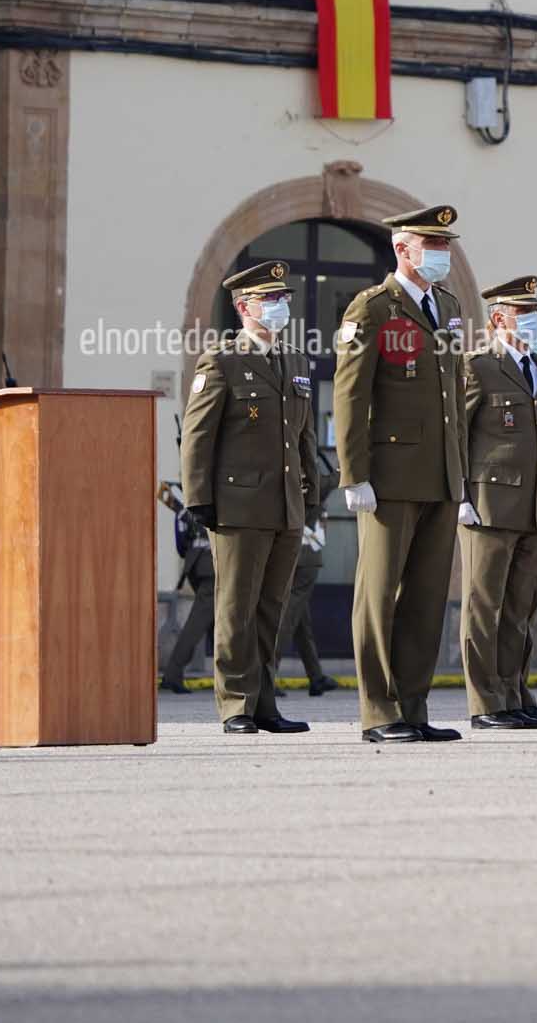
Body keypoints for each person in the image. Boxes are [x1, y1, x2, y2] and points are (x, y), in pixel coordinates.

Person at [334, 205, 469, 745]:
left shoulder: (450, 307)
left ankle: (413, 705)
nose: (442, 255)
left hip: (440, 475)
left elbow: (453, 399)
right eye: (431, 245)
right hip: (388, 475)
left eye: (446, 245)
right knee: (379, 592)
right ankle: (378, 711)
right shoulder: (372, 308)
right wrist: (354, 474)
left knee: (426, 596)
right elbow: (350, 394)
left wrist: (461, 476)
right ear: (402, 249)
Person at [178, 261, 319, 735]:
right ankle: (236, 703)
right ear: (244, 307)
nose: (281, 308)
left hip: (285, 505)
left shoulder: (296, 361)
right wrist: (199, 499)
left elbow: (304, 439)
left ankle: (263, 702)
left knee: (271, 608)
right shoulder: (222, 361)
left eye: (284, 300)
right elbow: (198, 436)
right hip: (238, 506)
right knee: (236, 606)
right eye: (271, 300)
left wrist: (311, 496)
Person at [459, 275, 537, 729]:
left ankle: (514, 693)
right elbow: (458, 434)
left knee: (520, 607)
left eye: (536, 315)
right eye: (524, 315)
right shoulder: (477, 368)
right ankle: (485, 703)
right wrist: (460, 494)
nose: (534, 323)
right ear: (498, 319)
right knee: (484, 605)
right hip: (490, 503)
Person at [278, 513, 338, 696]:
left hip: (291, 548)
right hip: (306, 550)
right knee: (289, 617)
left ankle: (316, 676)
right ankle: (266, 673)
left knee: (301, 621)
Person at [160, 495, 215, 694]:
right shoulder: (220, 490)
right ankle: (172, 674)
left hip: (195, 563)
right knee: (197, 623)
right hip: (213, 565)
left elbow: (180, 541)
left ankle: (232, 677)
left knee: (219, 623)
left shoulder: (186, 501)